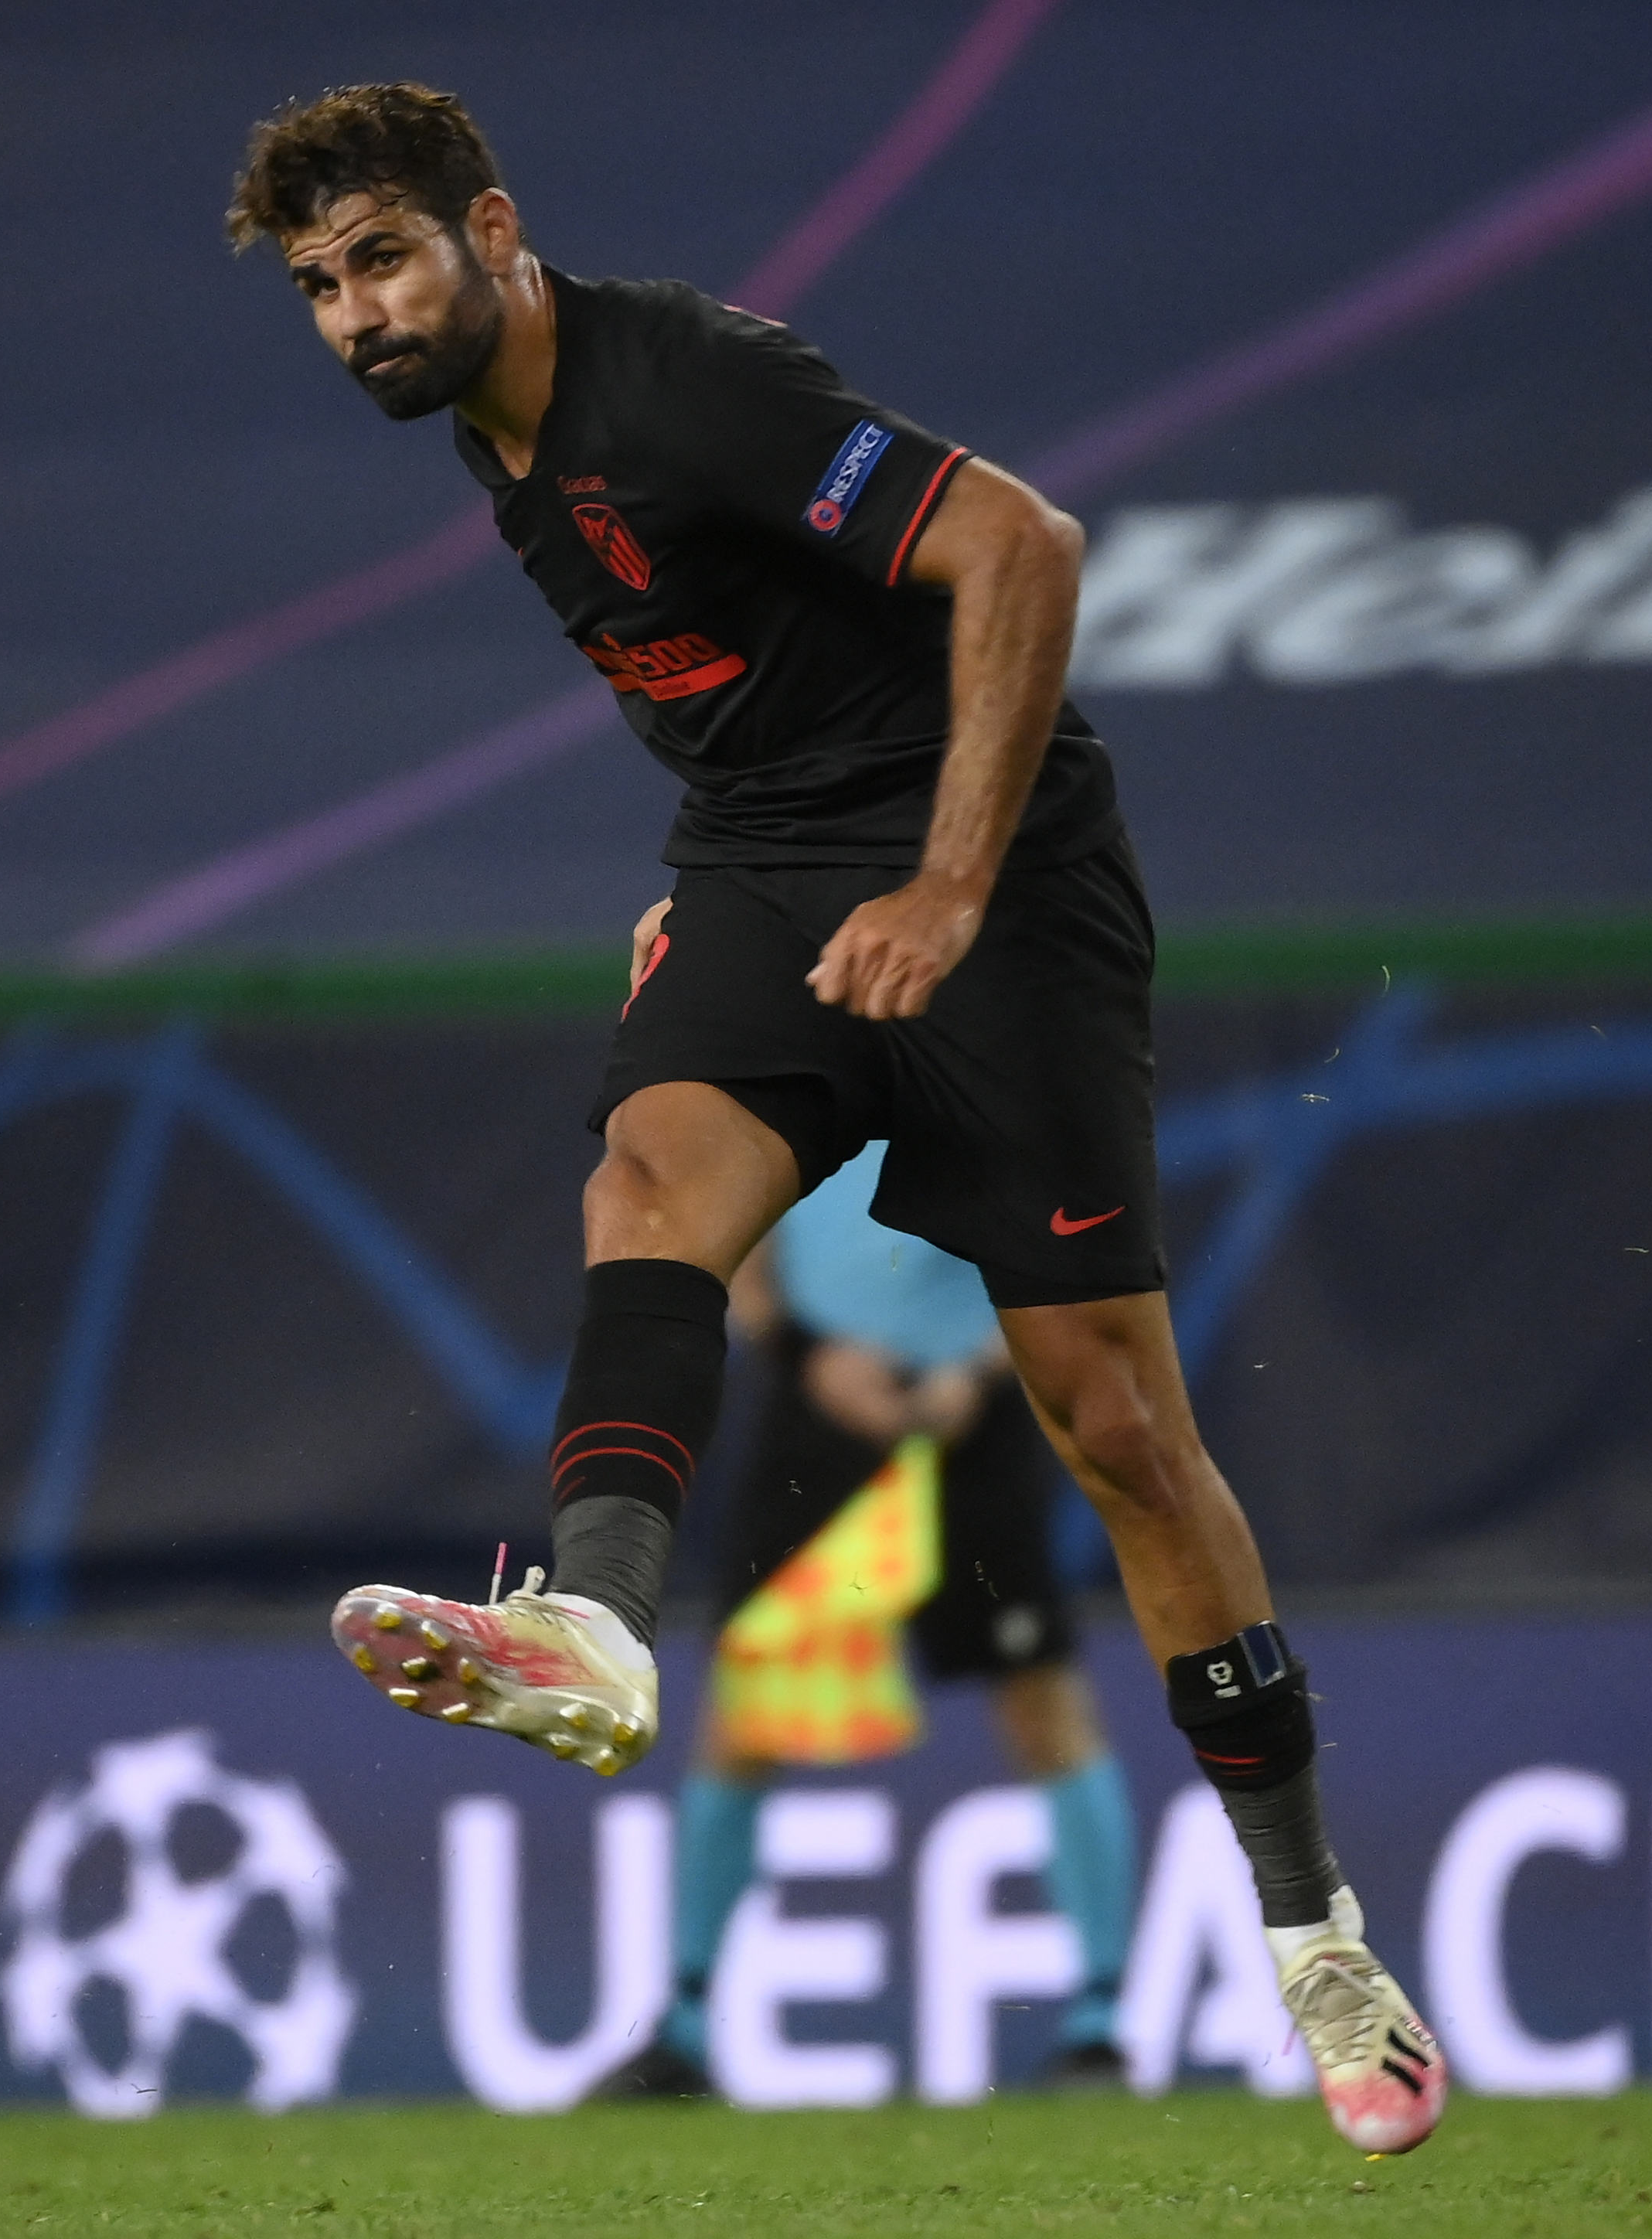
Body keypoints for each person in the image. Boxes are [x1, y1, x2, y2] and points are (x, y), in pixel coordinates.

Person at [229, 83, 1444, 2149]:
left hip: (1002, 885)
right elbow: (745, 680)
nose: (354, 311)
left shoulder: (680, 379)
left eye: (383, 259)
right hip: (774, 867)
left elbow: (1017, 545)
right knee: (643, 1178)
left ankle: (1312, 1932)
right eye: (320, 285)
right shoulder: (490, 437)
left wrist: (950, 885)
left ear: (493, 229)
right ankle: (593, 1623)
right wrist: (707, 886)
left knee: (1118, 1426)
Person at [596, 1145, 1136, 2098]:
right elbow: (740, 1247)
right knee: (743, 1711)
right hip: (820, 1416)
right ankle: (682, 2028)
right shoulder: (798, 1068)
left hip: (980, 1414)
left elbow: (1068, 1255)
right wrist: (813, 1356)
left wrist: (977, 1372)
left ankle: (1101, 2026)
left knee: (1041, 1701)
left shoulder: (996, 1068)